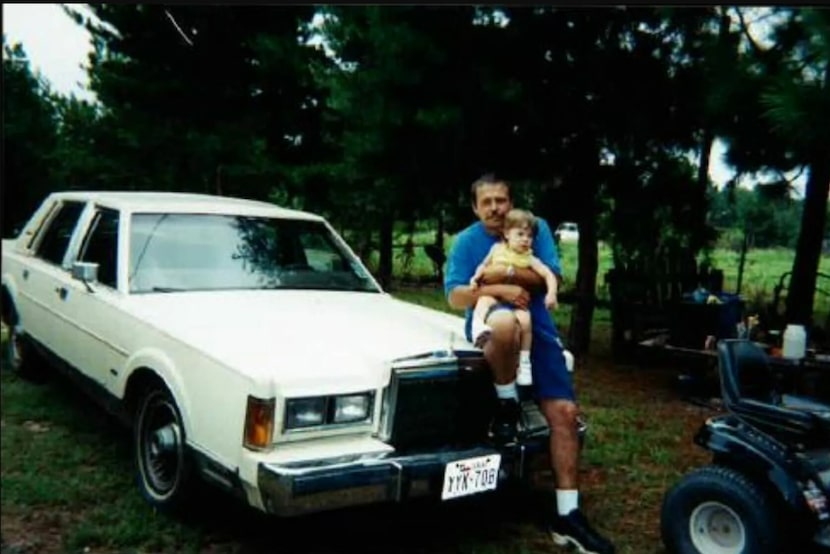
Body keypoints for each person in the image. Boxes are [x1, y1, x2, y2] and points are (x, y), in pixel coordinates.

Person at [444, 173, 615, 554]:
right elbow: (456, 296)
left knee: (566, 414)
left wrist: (500, 275)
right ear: (475, 207)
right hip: (495, 332)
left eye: (500, 200)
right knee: (504, 321)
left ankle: (567, 515)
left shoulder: (532, 229)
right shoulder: (467, 242)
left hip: (539, 331)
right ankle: (508, 404)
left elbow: (548, 277)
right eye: (486, 202)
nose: (494, 208)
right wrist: (500, 288)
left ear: (510, 201)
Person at [468, 208, 559, 386]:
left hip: (517, 302)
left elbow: (548, 274)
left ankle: (524, 363)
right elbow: (483, 265)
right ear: (506, 234)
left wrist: (552, 294)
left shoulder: (529, 258)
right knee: (483, 301)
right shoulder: (496, 249)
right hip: (495, 296)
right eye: (520, 234)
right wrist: (475, 278)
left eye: (529, 236)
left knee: (526, 322)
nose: (526, 239)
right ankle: (477, 328)